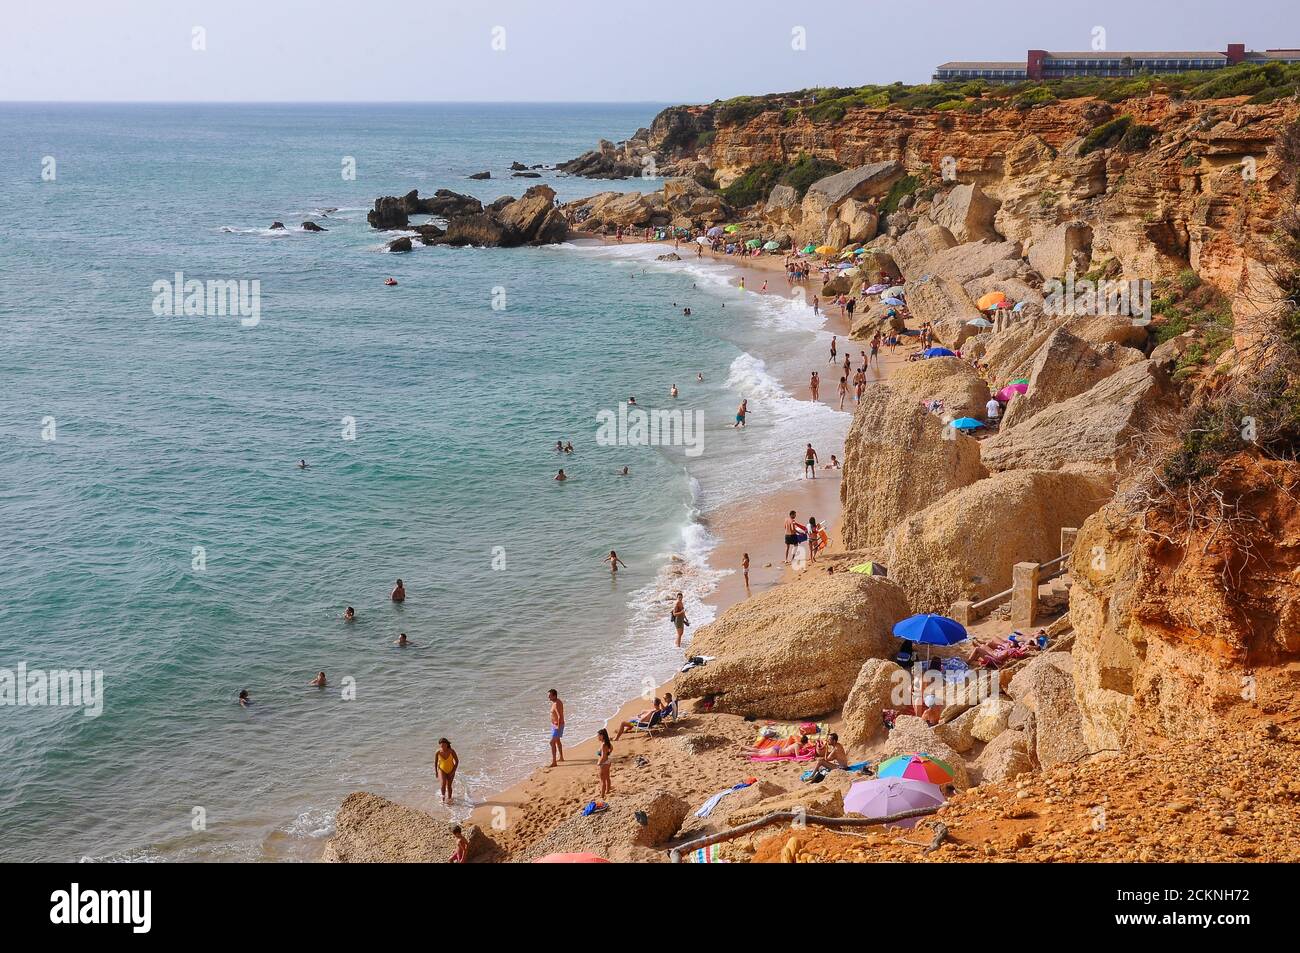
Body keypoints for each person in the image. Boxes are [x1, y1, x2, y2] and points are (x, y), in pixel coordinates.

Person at [435, 738, 458, 804]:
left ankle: (449, 799)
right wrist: (436, 772)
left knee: (449, 786)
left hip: (451, 770)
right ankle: (443, 799)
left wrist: (453, 771)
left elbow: (457, 761)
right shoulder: (438, 752)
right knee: (443, 784)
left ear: (447, 744)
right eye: (441, 745)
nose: (442, 747)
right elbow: (436, 762)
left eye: (444, 745)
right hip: (441, 770)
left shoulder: (451, 751)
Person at [548, 689, 565, 767]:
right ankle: (561, 757)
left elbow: (559, 716)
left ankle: (554, 762)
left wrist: (557, 726)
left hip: (557, 726)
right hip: (555, 725)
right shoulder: (556, 702)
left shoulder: (556, 704)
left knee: (552, 742)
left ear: (554, 695)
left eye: (550, 696)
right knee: (557, 741)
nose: (548, 697)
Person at [596, 728, 613, 798]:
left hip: (604, 763)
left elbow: (603, 756)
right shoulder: (608, 743)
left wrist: (599, 763)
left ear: (602, 736)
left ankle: (602, 795)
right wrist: (608, 753)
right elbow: (611, 748)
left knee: (602, 780)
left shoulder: (603, 745)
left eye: (598, 736)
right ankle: (608, 791)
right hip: (608, 761)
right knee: (607, 777)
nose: (597, 737)